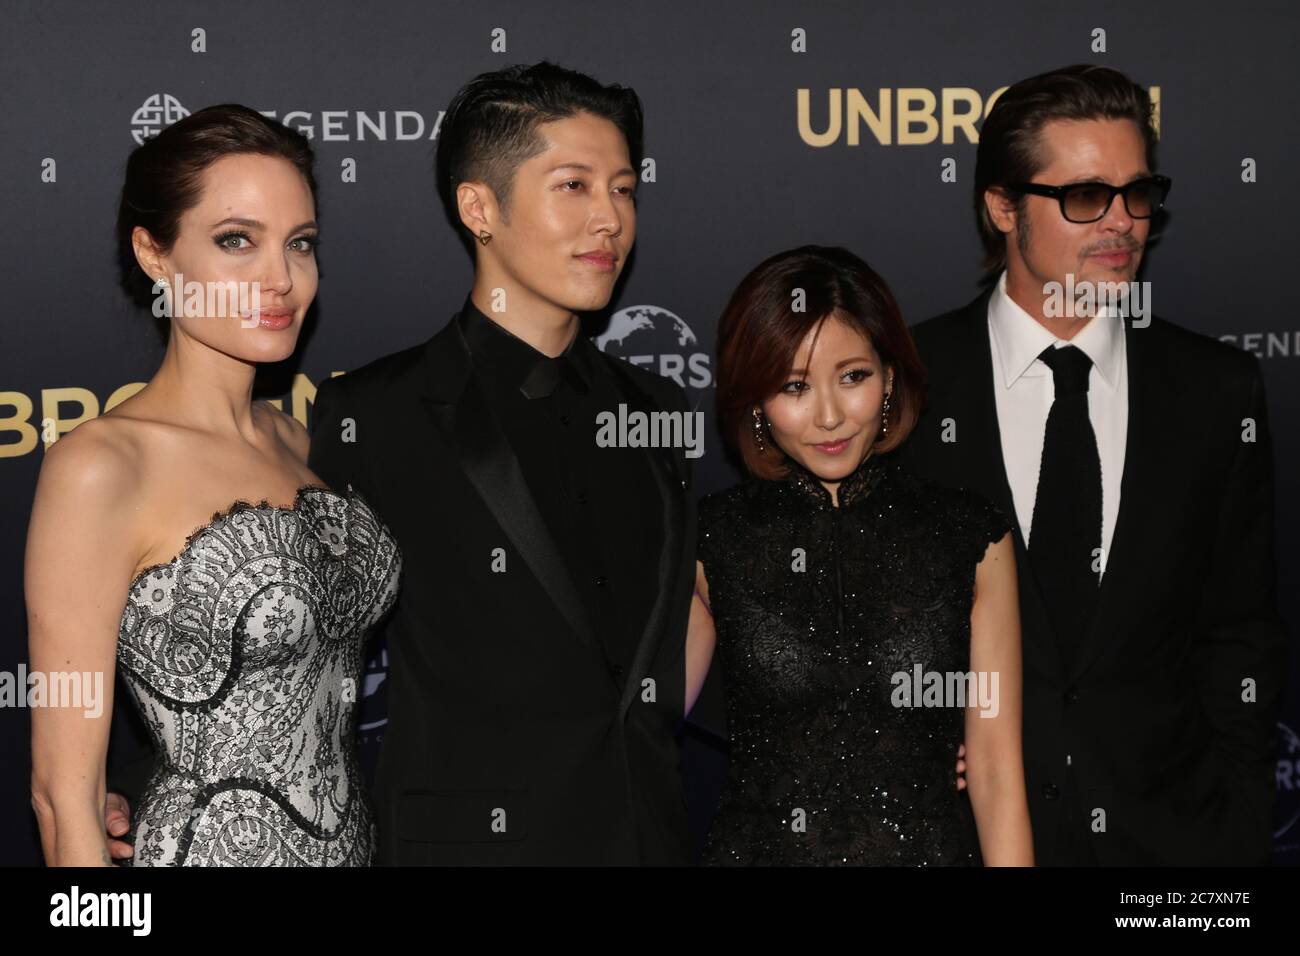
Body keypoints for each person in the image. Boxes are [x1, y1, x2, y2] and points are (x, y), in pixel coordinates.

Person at [894, 64, 1287, 865]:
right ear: (1002, 207)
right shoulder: (906, 384)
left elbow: (1240, 631)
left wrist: (1240, 828)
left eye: (1138, 193)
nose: (1122, 224)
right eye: (1084, 198)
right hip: (957, 840)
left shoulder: (1214, 389)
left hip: (1173, 851)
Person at [306, 62, 696, 864]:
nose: (610, 221)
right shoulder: (374, 415)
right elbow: (303, 654)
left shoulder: (659, 412)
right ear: (479, 207)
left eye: (623, 189)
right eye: (574, 186)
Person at [27, 104, 401, 866]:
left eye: (300, 244)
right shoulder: (101, 466)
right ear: (156, 255)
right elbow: (63, 797)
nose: (281, 277)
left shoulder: (301, 442)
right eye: (237, 241)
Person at [687, 245, 1033, 865]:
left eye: (853, 376)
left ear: (890, 375)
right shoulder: (714, 542)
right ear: (756, 405)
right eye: (793, 386)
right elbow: (634, 731)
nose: (828, 416)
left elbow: (996, 774)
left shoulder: (969, 536)